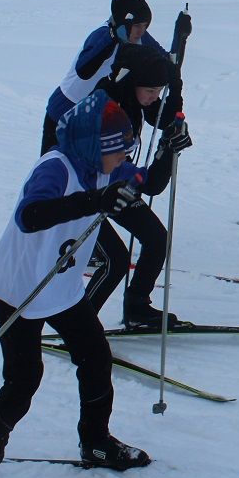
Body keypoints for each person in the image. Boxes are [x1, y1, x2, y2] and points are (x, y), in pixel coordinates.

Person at [0, 92, 185, 478]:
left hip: (61, 286)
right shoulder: (56, 168)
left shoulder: (104, 166)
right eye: (119, 150)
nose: (124, 158)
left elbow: (148, 184)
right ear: (92, 147)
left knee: (96, 358)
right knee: (24, 380)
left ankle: (96, 441)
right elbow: (31, 215)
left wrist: (169, 149)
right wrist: (94, 202)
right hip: (21, 287)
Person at [88, 43, 193, 329]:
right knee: (115, 263)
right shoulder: (106, 105)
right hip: (81, 193)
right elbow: (147, 183)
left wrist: (173, 140)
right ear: (135, 83)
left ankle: (136, 306)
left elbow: (167, 115)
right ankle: (80, 328)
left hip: (114, 187)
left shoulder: (136, 98)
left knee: (157, 239)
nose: (154, 97)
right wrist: (164, 152)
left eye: (158, 91)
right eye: (150, 91)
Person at [41, 0, 174, 153]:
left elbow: (166, 61)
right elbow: (84, 70)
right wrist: (112, 38)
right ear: (123, 23)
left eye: (145, 26)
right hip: (64, 109)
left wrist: (180, 36)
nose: (141, 31)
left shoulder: (139, 37)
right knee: (53, 169)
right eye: (137, 25)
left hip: (91, 117)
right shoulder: (102, 35)